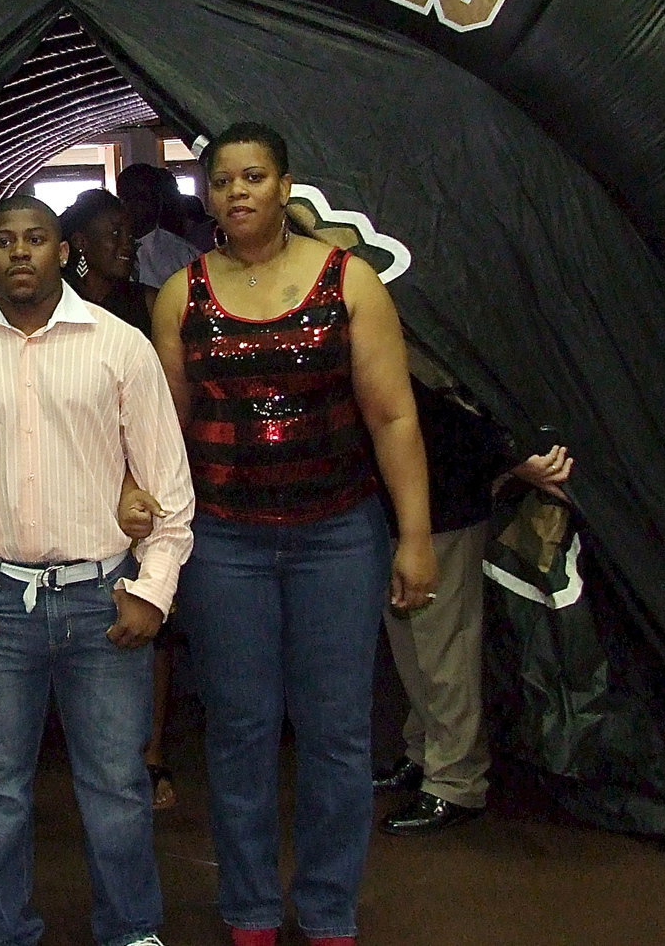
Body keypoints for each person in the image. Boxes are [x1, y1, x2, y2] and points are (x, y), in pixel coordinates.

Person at [150, 123, 437, 946]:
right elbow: (166, 432)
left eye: (255, 176)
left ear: (286, 186)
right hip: (226, 544)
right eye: (223, 181)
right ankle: (248, 910)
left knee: (336, 732)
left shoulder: (351, 282)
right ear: (207, 194)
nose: (238, 192)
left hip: (339, 538)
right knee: (238, 730)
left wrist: (413, 535)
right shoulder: (182, 293)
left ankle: (328, 910)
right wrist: (147, 516)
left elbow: (392, 414)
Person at [0, 194, 195, 946]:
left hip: (103, 599)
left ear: (64, 253)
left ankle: (129, 929)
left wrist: (152, 591)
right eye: (3, 241)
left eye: (36, 238)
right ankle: (2, 931)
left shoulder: (120, 349)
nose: (20, 252)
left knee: (118, 787)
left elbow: (169, 483)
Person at [374, 381, 574, 833]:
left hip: (441, 500)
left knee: (443, 647)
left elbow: (458, 405)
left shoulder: (423, 326)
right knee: (415, 646)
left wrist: (512, 457)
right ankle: (426, 753)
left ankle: (455, 781)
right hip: (398, 501)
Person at [61, 187, 179, 807]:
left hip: (140, 481)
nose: (125, 246)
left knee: (145, 614)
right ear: (76, 244)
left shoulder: (149, 305)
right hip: (71, 481)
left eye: (129, 235)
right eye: (111, 235)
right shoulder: (51, 308)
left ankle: (149, 753)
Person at [60, 188, 153, 336]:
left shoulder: (148, 302)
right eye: (116, 233)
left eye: (130, 236)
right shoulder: (59, 301)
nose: (127, 244)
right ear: (80, 242)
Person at [115, 164, 201, 291]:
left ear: (157, 200)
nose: (131, 206)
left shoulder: (184, 256)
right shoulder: (107, 252)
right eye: (125, 198)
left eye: (141, 198)